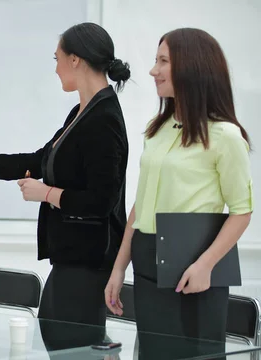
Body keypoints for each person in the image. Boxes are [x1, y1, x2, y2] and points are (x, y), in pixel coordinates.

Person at [0, 22, 131, 326]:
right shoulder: (82, 112)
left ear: (75, 60)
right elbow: (40, 160)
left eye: (57, 59)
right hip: (72, 258)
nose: (56, 69)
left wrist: (46, 194)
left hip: (89, 260)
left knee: (66, 341)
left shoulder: (104, 118)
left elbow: (100, 201)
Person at [105, 28, 253, 344]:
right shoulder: (156, 130)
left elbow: (242, 212)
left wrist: (205, 265)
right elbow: (141, 204)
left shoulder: (225, 136)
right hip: (147, 256)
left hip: (194, 266)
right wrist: (119, 268)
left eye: (162, 61)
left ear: (191, 67)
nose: (152, 70)